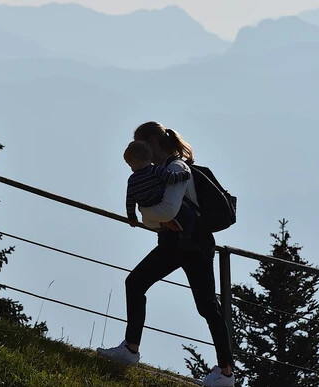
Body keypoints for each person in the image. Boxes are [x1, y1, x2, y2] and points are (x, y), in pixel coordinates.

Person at [98, 122, 236, 387]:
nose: (136, 150)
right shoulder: (160, 171)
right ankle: (130, 349)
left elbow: (164, 212)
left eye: (139, 144)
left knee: (207, 306)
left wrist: (156, 217)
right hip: (176, 243)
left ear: (152, 142)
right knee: (137, 283)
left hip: (193, 244)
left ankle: (226, 373)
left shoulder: (175, 169)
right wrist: (155, 218)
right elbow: (152, 216)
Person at [123, 139, 195, 244]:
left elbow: (129, 200)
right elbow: (171, 178)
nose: (131, 169)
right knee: (187, 212)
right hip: (159, 200)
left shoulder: (131, 179)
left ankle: (165, 223)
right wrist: (185, 174)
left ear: (135, 160)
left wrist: (132, 216)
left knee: (147, 221)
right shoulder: (156, 170)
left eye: (130, 165)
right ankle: (186, 235)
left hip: (146, 207)